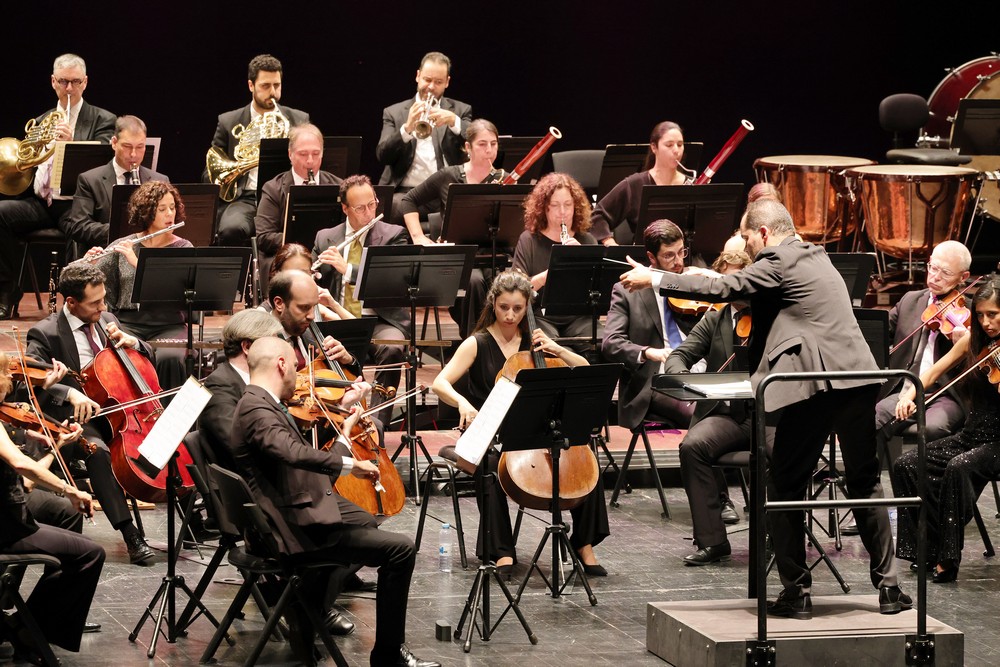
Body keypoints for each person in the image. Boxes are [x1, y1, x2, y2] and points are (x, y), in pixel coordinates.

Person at [617, 198, 911, 617]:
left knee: (784, 487)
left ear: (764, 233)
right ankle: (888, 589)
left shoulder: (778, 256)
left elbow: (724, 288)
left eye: (749, 242)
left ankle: (797, 592)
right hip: (858, 381)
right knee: (865, 483)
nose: (751, 252)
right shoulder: (817, 257)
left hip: (812, 387)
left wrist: (657, 278)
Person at [231, 336, 439, 667]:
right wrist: (350, 464)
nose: (299, 376)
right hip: (290, 529)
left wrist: (347, 426)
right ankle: (387, 655)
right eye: (296, 367)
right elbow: (293, 453)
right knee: (401, 550)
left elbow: (295, 460)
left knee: (366, 519)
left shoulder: (259, 402)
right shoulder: (257, 410)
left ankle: (306, 613)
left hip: (289, 508)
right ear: (281, 364)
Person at [198, 309, 366, 637]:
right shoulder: (220, 388)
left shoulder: (259, 387)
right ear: (249, 347)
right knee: (354, 529)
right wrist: (338, 451)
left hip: (278, 484)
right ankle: (306, 607)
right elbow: (244, 453)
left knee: (362, 522)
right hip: (255, 503)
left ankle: (307, 603)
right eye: (275, 342)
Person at [431, 269, 610, 577]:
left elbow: (583, 370)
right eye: (504, 308)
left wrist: (558, 349)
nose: (511, 315)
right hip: (494, 432)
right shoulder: (478, 343)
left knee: (582, 452)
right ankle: (500, 552)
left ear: (527, 306)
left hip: (534, 430)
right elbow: (439, 383)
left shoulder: (536, 342)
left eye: (518, 308)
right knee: (489, 466)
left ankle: (584, 544)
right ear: (493, 303)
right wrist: (462, 402)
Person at [26, 262, 155, 565]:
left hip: (118, 409)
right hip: (75, 417)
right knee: (96, 451)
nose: (103, 307)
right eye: (95, 302)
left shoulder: (106, 319)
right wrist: (69, 392)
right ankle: (130, 533)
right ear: (71, 302)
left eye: (104, 299)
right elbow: (29, 378)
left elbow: (148, 353)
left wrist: (134, 342)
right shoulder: (45, 333)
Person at [891, 274, 1000, 584]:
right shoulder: (973, 341)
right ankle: (924, 548)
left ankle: (947, 558)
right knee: (907, 464)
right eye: (980, 315)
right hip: (972, 435)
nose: (986, 322)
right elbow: (931, 373)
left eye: (992, 314)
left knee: (958, 467)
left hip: (997, 443)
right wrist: (908, 395)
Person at [0, 352, 105, 663]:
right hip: (8, 528)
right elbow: (22, 465)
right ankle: (26, 629)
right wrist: (71, 490)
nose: (10, 383)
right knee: (90, 554)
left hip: (10, 520)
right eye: (7, 377)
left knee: (73, 540)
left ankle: (24, 625)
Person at [0, 53, 116, 319]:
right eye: (63, 81)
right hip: (43, 203)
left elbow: (103, 162)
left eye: (75, 82)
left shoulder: (103, 120)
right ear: (53, 82)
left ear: (85, 82)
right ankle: (6, 292)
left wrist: (71, 141)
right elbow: (28, 161)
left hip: (75, 204)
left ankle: (74, 303)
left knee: (79, 229)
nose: (69, 89)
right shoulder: (42, 120)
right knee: (1, 214)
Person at [661, 247, 757, 565]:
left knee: (782, 451)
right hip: (729, 416)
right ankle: (713, 541)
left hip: (767, 414)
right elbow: (680, 354)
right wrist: (682, 378)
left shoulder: (769, 313)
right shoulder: (715, 318)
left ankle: (773, 535)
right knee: (692, 446)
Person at [75, 181, 192, 392]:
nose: (169, 214)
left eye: (172, 207)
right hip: (128, 322)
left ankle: (167, 418)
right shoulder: (126, 244)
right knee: (115, 353)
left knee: (170, 357)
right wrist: (88, 264)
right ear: (147, 212)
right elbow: (93, 282)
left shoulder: (182, 247)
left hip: (168, 324)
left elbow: (175, 289)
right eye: (162, 209)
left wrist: (137, 263)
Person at [313, 174, 407, 422]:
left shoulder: (393, 235)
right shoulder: (325, 237)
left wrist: (350, 270)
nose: (368, 212)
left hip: (377, 320)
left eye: (372, 204)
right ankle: (326, 418)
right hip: (335, 318)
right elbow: (312, 279)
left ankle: (377, 422)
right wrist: (313, 272)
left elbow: (391, 282)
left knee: (393, 346)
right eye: (360, 208)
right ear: (345, 209)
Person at [601, 219, 710, 429]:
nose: (678, 261)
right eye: (669, 255)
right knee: (704, 414)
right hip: (655, 381)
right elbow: (611, 343)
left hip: (699, 371)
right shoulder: (627, 290)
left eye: (681, 252)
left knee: (736, 409)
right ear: (651, 257)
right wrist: (649, 352)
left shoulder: (691, 280)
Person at [397, 118, 500, 337]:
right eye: (482, 144)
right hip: (458, 259)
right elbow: (408, 200)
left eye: (493, 143)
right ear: (468, 147)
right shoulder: (450, 176)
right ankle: (474, 342)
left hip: (493, 257)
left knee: (506, 283)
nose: (489, 150)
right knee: (474, 282)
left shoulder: (504, 180)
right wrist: (418, 236)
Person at [876, 241, 972, 463]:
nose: (935, 277)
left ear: (963, 277)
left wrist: (967, 345)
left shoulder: (970, 311)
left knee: (931, 429)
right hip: (904, 389)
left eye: (945, 272)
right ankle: (868, 490)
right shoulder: (910, 300)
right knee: (874, 419)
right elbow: (879, 335)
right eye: (933, 267)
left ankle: (931, 492)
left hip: (946, 394)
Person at [207, 54, 309, 247]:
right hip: (245, 198)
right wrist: (228, 176)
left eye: (277, 86)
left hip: (284, 197)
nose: (273, 92)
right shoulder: (229, 121)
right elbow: (211, 170)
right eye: (265, 86)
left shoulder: (298, 120)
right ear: (251, 86)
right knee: (230, 230)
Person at [376, 51, 473, 229]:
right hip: (405, 192)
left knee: (467, 212)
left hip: (444, 191)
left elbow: (476, 142)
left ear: (447, 82)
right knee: (392, 207)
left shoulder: (461, 110)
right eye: (427, 79)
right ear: (418, 76)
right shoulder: (394, 112)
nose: (430, 87)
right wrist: (407, 128)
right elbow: (383, 155)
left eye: (438, 82)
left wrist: (454, 122)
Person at [60, 115, 170, 259]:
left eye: (140, 147)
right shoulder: (89, 180)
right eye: (127, 146)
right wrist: (121, 231)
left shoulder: (160, 180)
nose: (133, 154)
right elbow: (79, 226)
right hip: (105, 256)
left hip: (146, 256)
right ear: (114, 143)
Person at [512, 172, 597, 353]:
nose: (563, 212)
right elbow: (517, 289)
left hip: (579, 317)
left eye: (568, 205)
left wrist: (582, 259)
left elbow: (596, 288)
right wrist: (549, 275)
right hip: (542, 315)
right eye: (555, 205)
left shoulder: (587, 240)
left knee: (597, 345)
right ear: (544, 208)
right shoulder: (529, 241)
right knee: (548, 349)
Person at [254, 123, 342, 290]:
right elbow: (264, 237)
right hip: (287, 254)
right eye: (303, 154)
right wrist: (300, 242)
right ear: (290, 154)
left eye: (316, 154)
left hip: (327, 255)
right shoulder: (273, 188)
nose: (310, 161)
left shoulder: (338, 186)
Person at [590, 121, 692, 246]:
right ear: (654, 147)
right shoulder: (635, 184)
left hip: (685, 258)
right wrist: (610, 243)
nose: (676, 150)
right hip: (646, 259)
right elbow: (598, 216)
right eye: (669, 145)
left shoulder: (691, 184)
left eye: (680, 144)